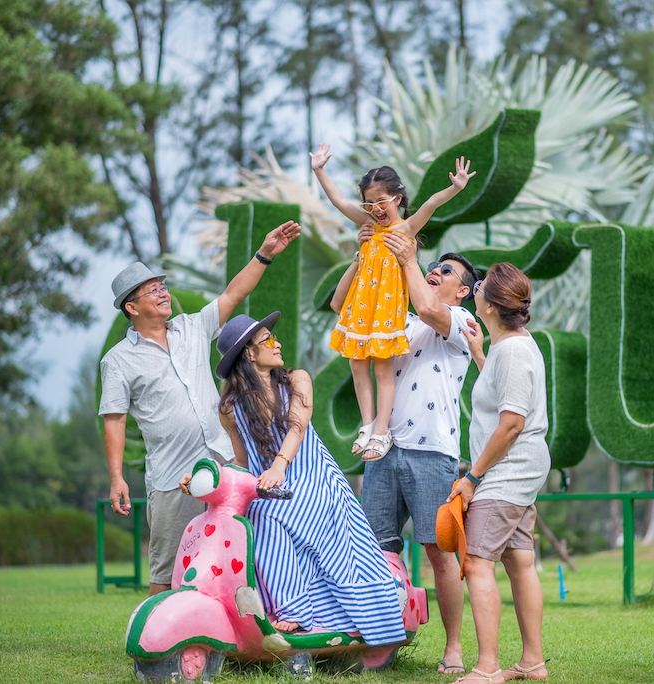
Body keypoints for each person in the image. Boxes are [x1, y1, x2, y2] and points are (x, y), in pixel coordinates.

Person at [99, 220, 300, 596]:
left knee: (237, 556)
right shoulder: (118, 360)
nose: (163, 293)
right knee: (168, 567)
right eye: (152, 290)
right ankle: (158, 632)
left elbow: (232, 295)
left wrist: (264, 254)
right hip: (172, 477)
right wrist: (116, 478)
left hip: (226, 463)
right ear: (132, 307)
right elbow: (114, 419)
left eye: (162, 286)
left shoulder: (191, 328)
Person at [199, 312, 407, 645]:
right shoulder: (230, 408)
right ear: (249, 354)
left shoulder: (297, 379)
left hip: (313, 477)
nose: (277, 343)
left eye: (273, 336)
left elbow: (297, 426)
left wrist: (279, 465)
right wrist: (211, 480)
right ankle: (282, 607)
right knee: (256, 514)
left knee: (271, 513)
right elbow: (242, 460)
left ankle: (297, 610)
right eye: (267, 339)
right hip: (270, 485)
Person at [339, 228, 479, 675]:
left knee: (438, 553)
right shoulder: (399, 320)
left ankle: (453, 647)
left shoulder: (462, 322)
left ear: (463, 291)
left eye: (446, 271)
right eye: (435, 266)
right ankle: (380, 641)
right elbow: (344, 308)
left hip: (432, 452)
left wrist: (409, 260)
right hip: (384, 449)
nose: (436, 272)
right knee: (377, 552)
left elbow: (428, 307)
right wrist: (363, 256)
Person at [313, 142, 474, 462]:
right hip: (362, 307)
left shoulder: (406, 229)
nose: (375, 209)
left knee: (383, 370)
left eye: (381, 201)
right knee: (357, 364)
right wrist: (319, 171)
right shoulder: (368, 227)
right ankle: (368, 424)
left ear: (398, 199)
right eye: (369, 203)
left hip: (386, 311)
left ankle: (382, 429)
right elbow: (339, 201)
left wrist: (455, 188)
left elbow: (431, 203)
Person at [448, 263, 551, 683]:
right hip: (520, 468)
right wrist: (479, 354)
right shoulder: (510, 346)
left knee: (476, 562)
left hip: (507, 470)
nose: (473, 290)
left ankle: (487, 668)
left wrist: (472, 478)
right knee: (519, 559)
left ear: (490, 306)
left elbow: (511, 423)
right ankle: (533, 662)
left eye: (479, 287)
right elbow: (501, 394)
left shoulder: (512, 351)